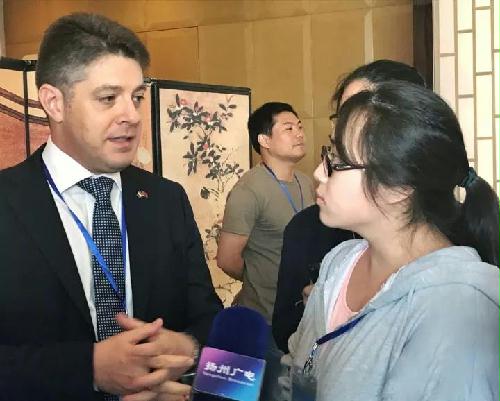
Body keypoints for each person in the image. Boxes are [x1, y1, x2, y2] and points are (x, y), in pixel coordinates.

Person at [0, 13, 222, 401]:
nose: (132, 116)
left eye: (136, 97)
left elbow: (208, 318)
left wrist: (188, 349)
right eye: (108, 98)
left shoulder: (167, 201)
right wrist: (89, 369)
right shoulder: (7, 202)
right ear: (54, 102)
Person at [287, 81, 500, 400]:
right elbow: (297, 373)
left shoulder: (456, 307)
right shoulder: (340, 262)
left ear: (399, 187)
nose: (319, 172)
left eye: (337, 160)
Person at [273, 60, 426, 353]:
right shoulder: (314, 237)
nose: (321, 172)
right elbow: (287, 336)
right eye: (343, 114)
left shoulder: (455, 281)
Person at [217, 102, 315, 401]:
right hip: (261, 318)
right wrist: (262, 278)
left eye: (300, 126)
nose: (299, 133)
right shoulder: (249, 190)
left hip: (301, 319)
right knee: (246, 395)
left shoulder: (307, 183)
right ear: (264, 140)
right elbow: (227, 259)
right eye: (289, 128)